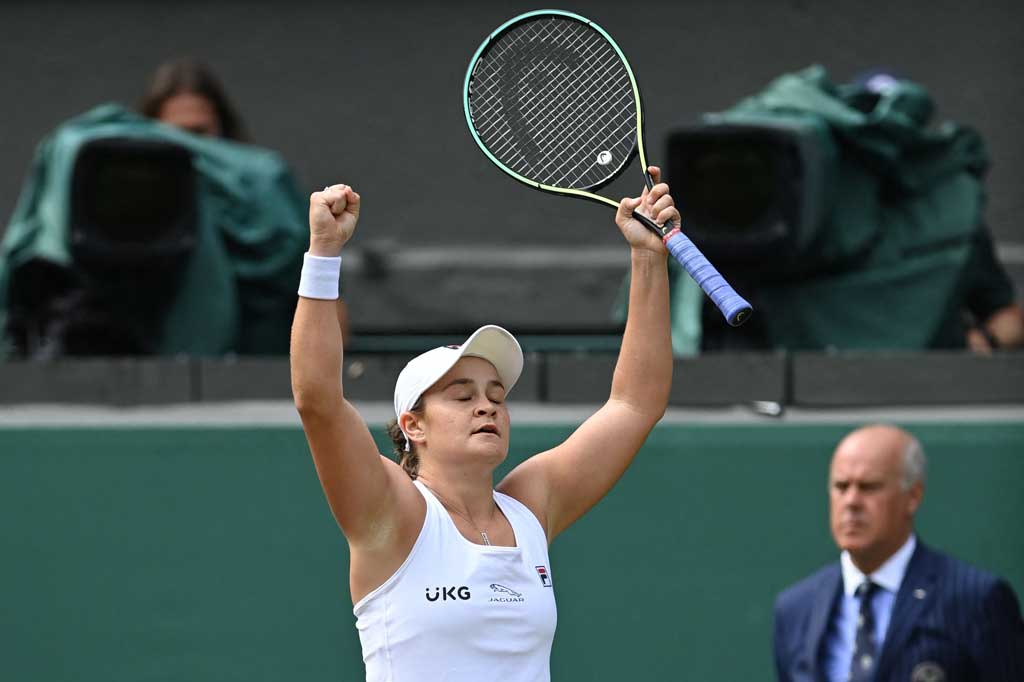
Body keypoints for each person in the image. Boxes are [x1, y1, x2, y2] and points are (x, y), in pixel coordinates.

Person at [290, 168, 675, 681]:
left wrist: (648, 259)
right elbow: (317, 399)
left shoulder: (531, 508)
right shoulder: (391, 510)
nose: (487, 407)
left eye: (497, 396)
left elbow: (635, 404)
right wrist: (323, 253)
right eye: (462, 395)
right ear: (414, 426)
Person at [773, 424, 1024, 682]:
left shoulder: (975, 599)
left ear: (913, 496)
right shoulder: (796, 608)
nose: (851, 502)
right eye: (841, 486)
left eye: (869, 487)